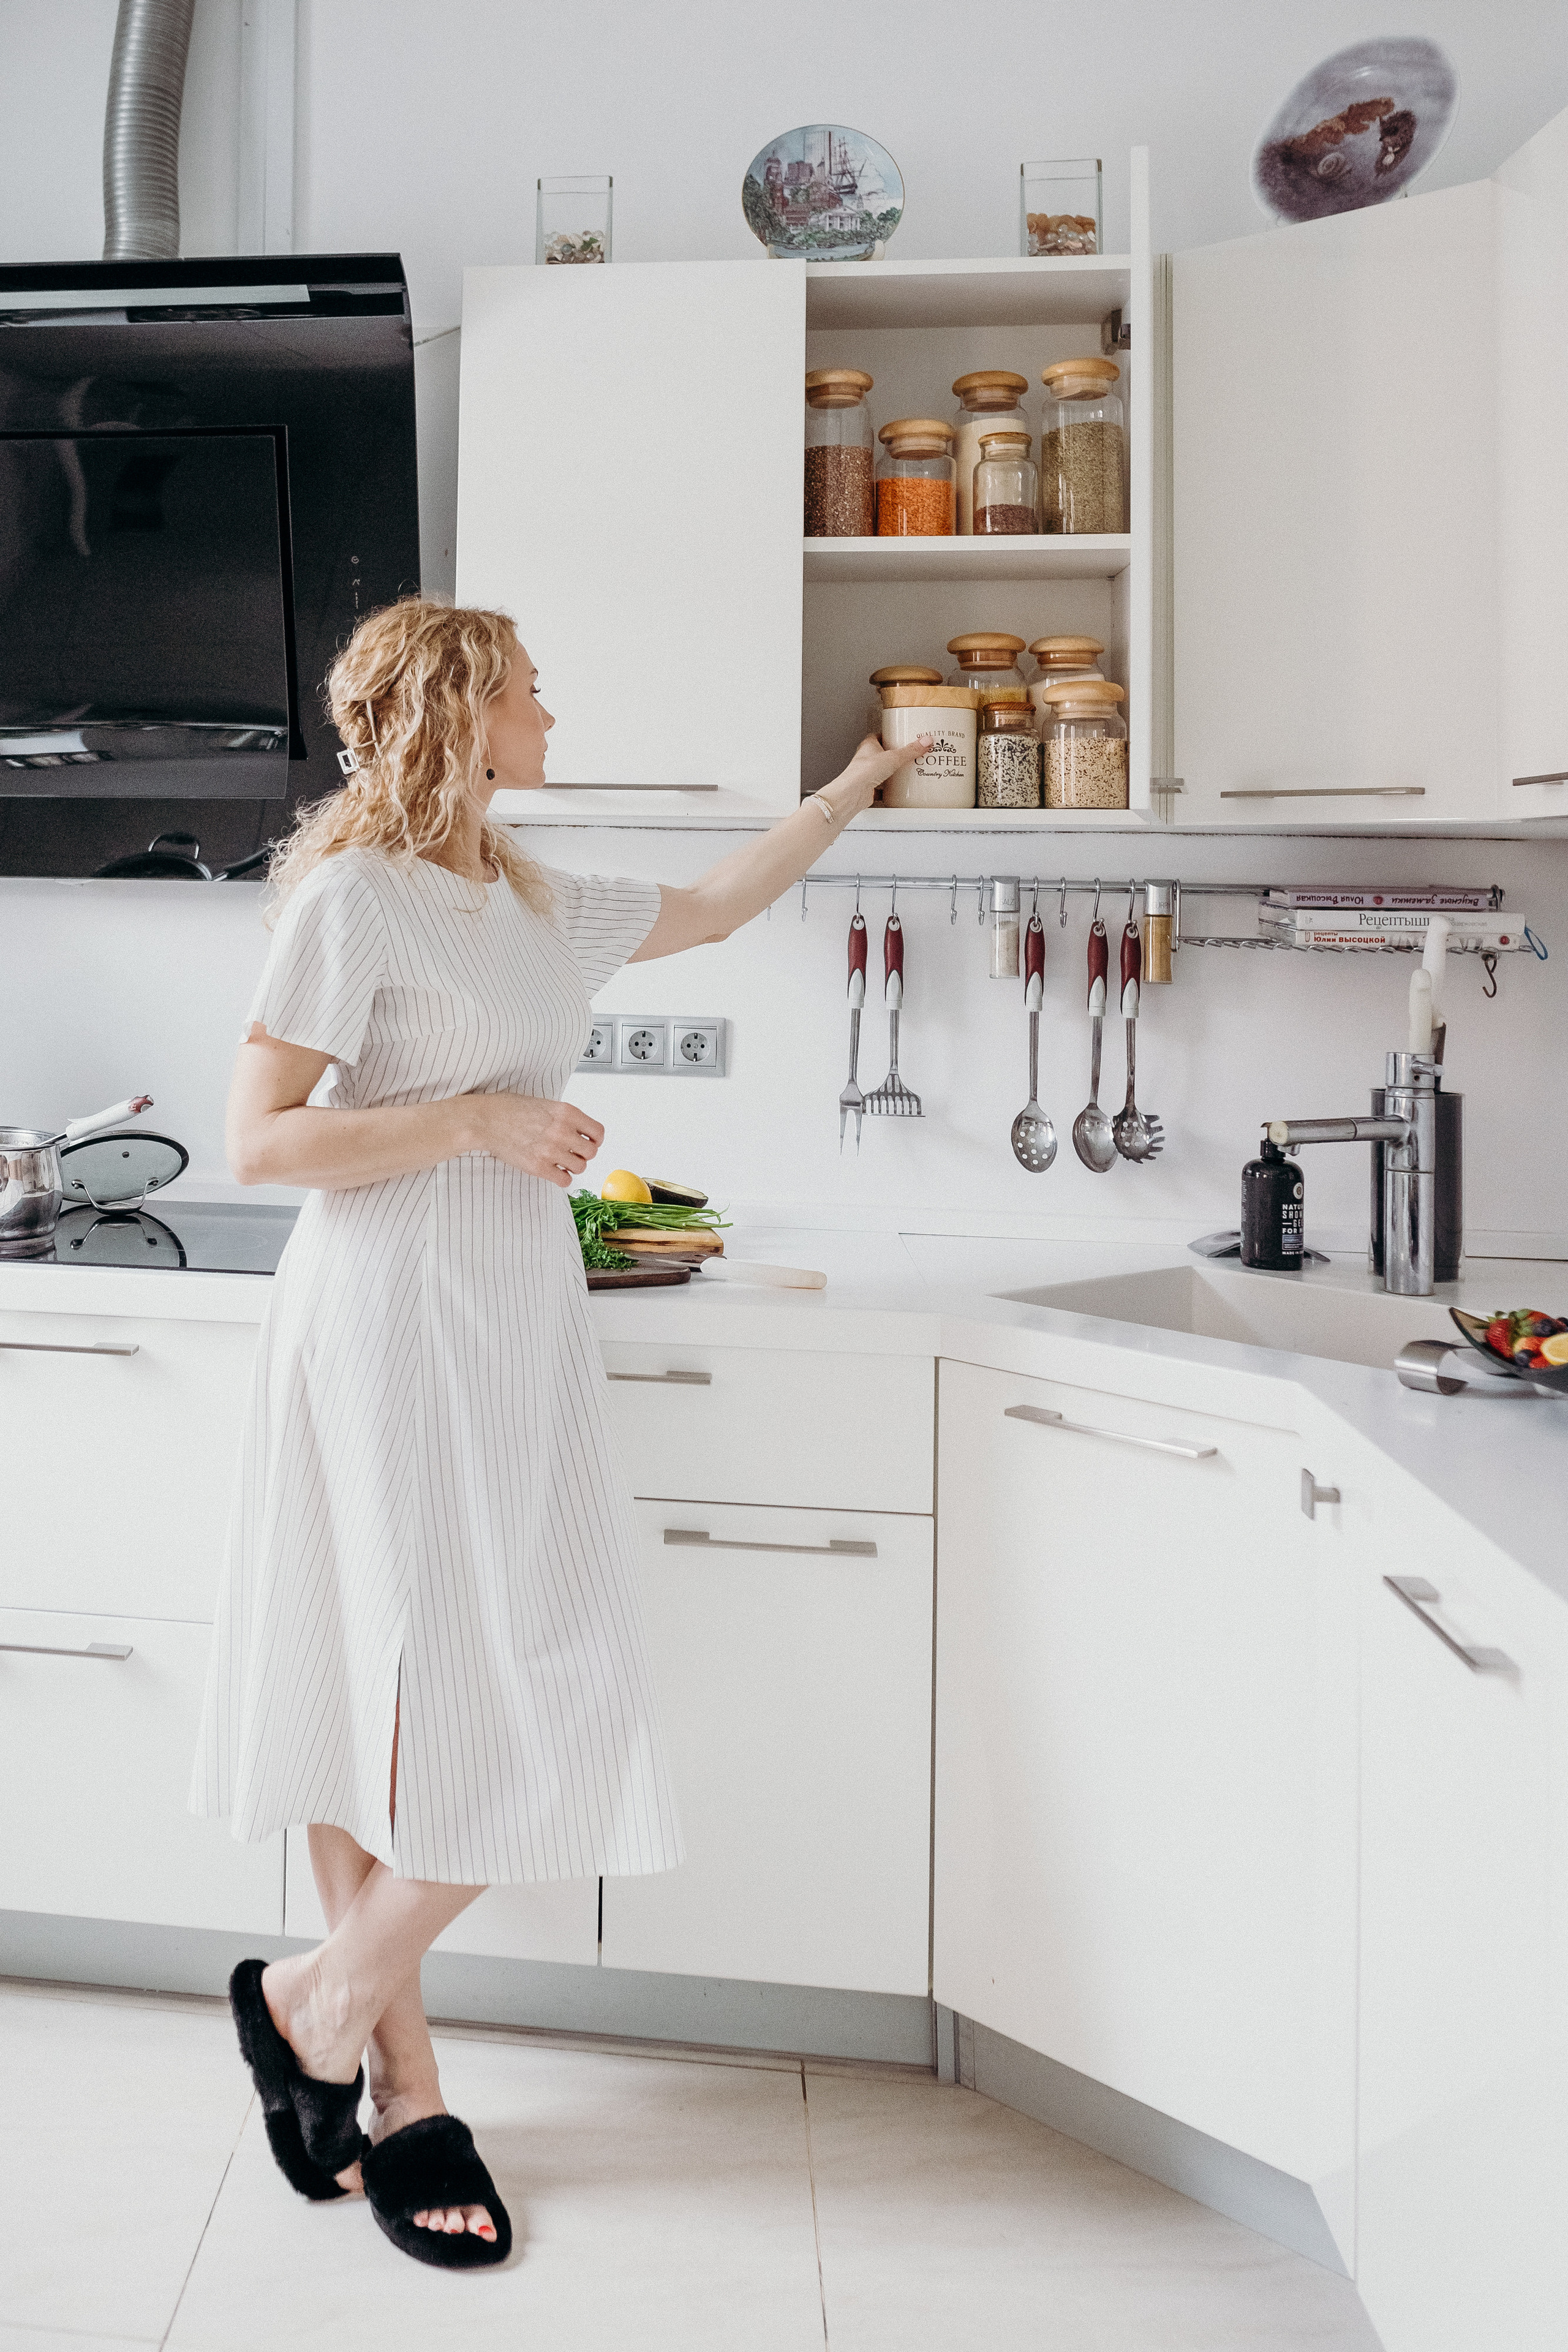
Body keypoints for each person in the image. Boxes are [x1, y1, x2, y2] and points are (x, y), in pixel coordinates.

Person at [194, 597, 927, 2267]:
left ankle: (318, 2005)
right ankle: (403, 2081)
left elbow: (724, 902)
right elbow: (256, 1142)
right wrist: (472, 1116)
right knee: (373, 1682)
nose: (551, 709)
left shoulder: (530, 899)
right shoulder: (353, 900)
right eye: (530, 691)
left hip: (509, 1324)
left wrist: (859, 781)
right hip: (381, 1321)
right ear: (465, 717)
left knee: (534, 1684)